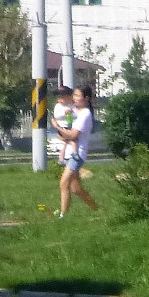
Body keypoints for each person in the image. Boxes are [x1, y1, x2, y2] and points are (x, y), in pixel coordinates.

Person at [53, 84, 100, 218]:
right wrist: (62, 132)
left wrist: (56, 127)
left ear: (86, 98)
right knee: (76, 189)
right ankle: (97, 210)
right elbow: (66, 133)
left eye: (77, 96)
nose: (74, 98)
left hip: (77, 154)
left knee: (63, 183)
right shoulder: (74, 111)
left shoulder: (85, 114)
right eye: (74, 95)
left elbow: (73, 135)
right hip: (69, 152)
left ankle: (63, 215)